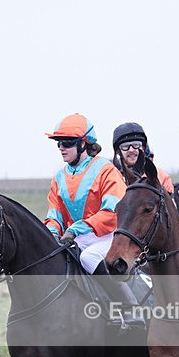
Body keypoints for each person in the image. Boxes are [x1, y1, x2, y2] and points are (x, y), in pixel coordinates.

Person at [44, 113, 138, 316]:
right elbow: (54, 214)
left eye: (67, 142)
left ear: (84, 144)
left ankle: (128, 306)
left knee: (88, 257)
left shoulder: (106, 170)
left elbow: (113, 211)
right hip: (76, 238)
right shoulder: (58, 178)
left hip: (109, 236)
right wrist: (50, 232)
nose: (61, 147)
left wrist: (75, 229)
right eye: (58, 143)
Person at [112, 122, 174, 193]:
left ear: (143, 148)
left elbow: (171, 203)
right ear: (118, 151)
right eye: (125, 146)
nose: (131, 150)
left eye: (136, 145)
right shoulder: (111, 177)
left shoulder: (161, 176)